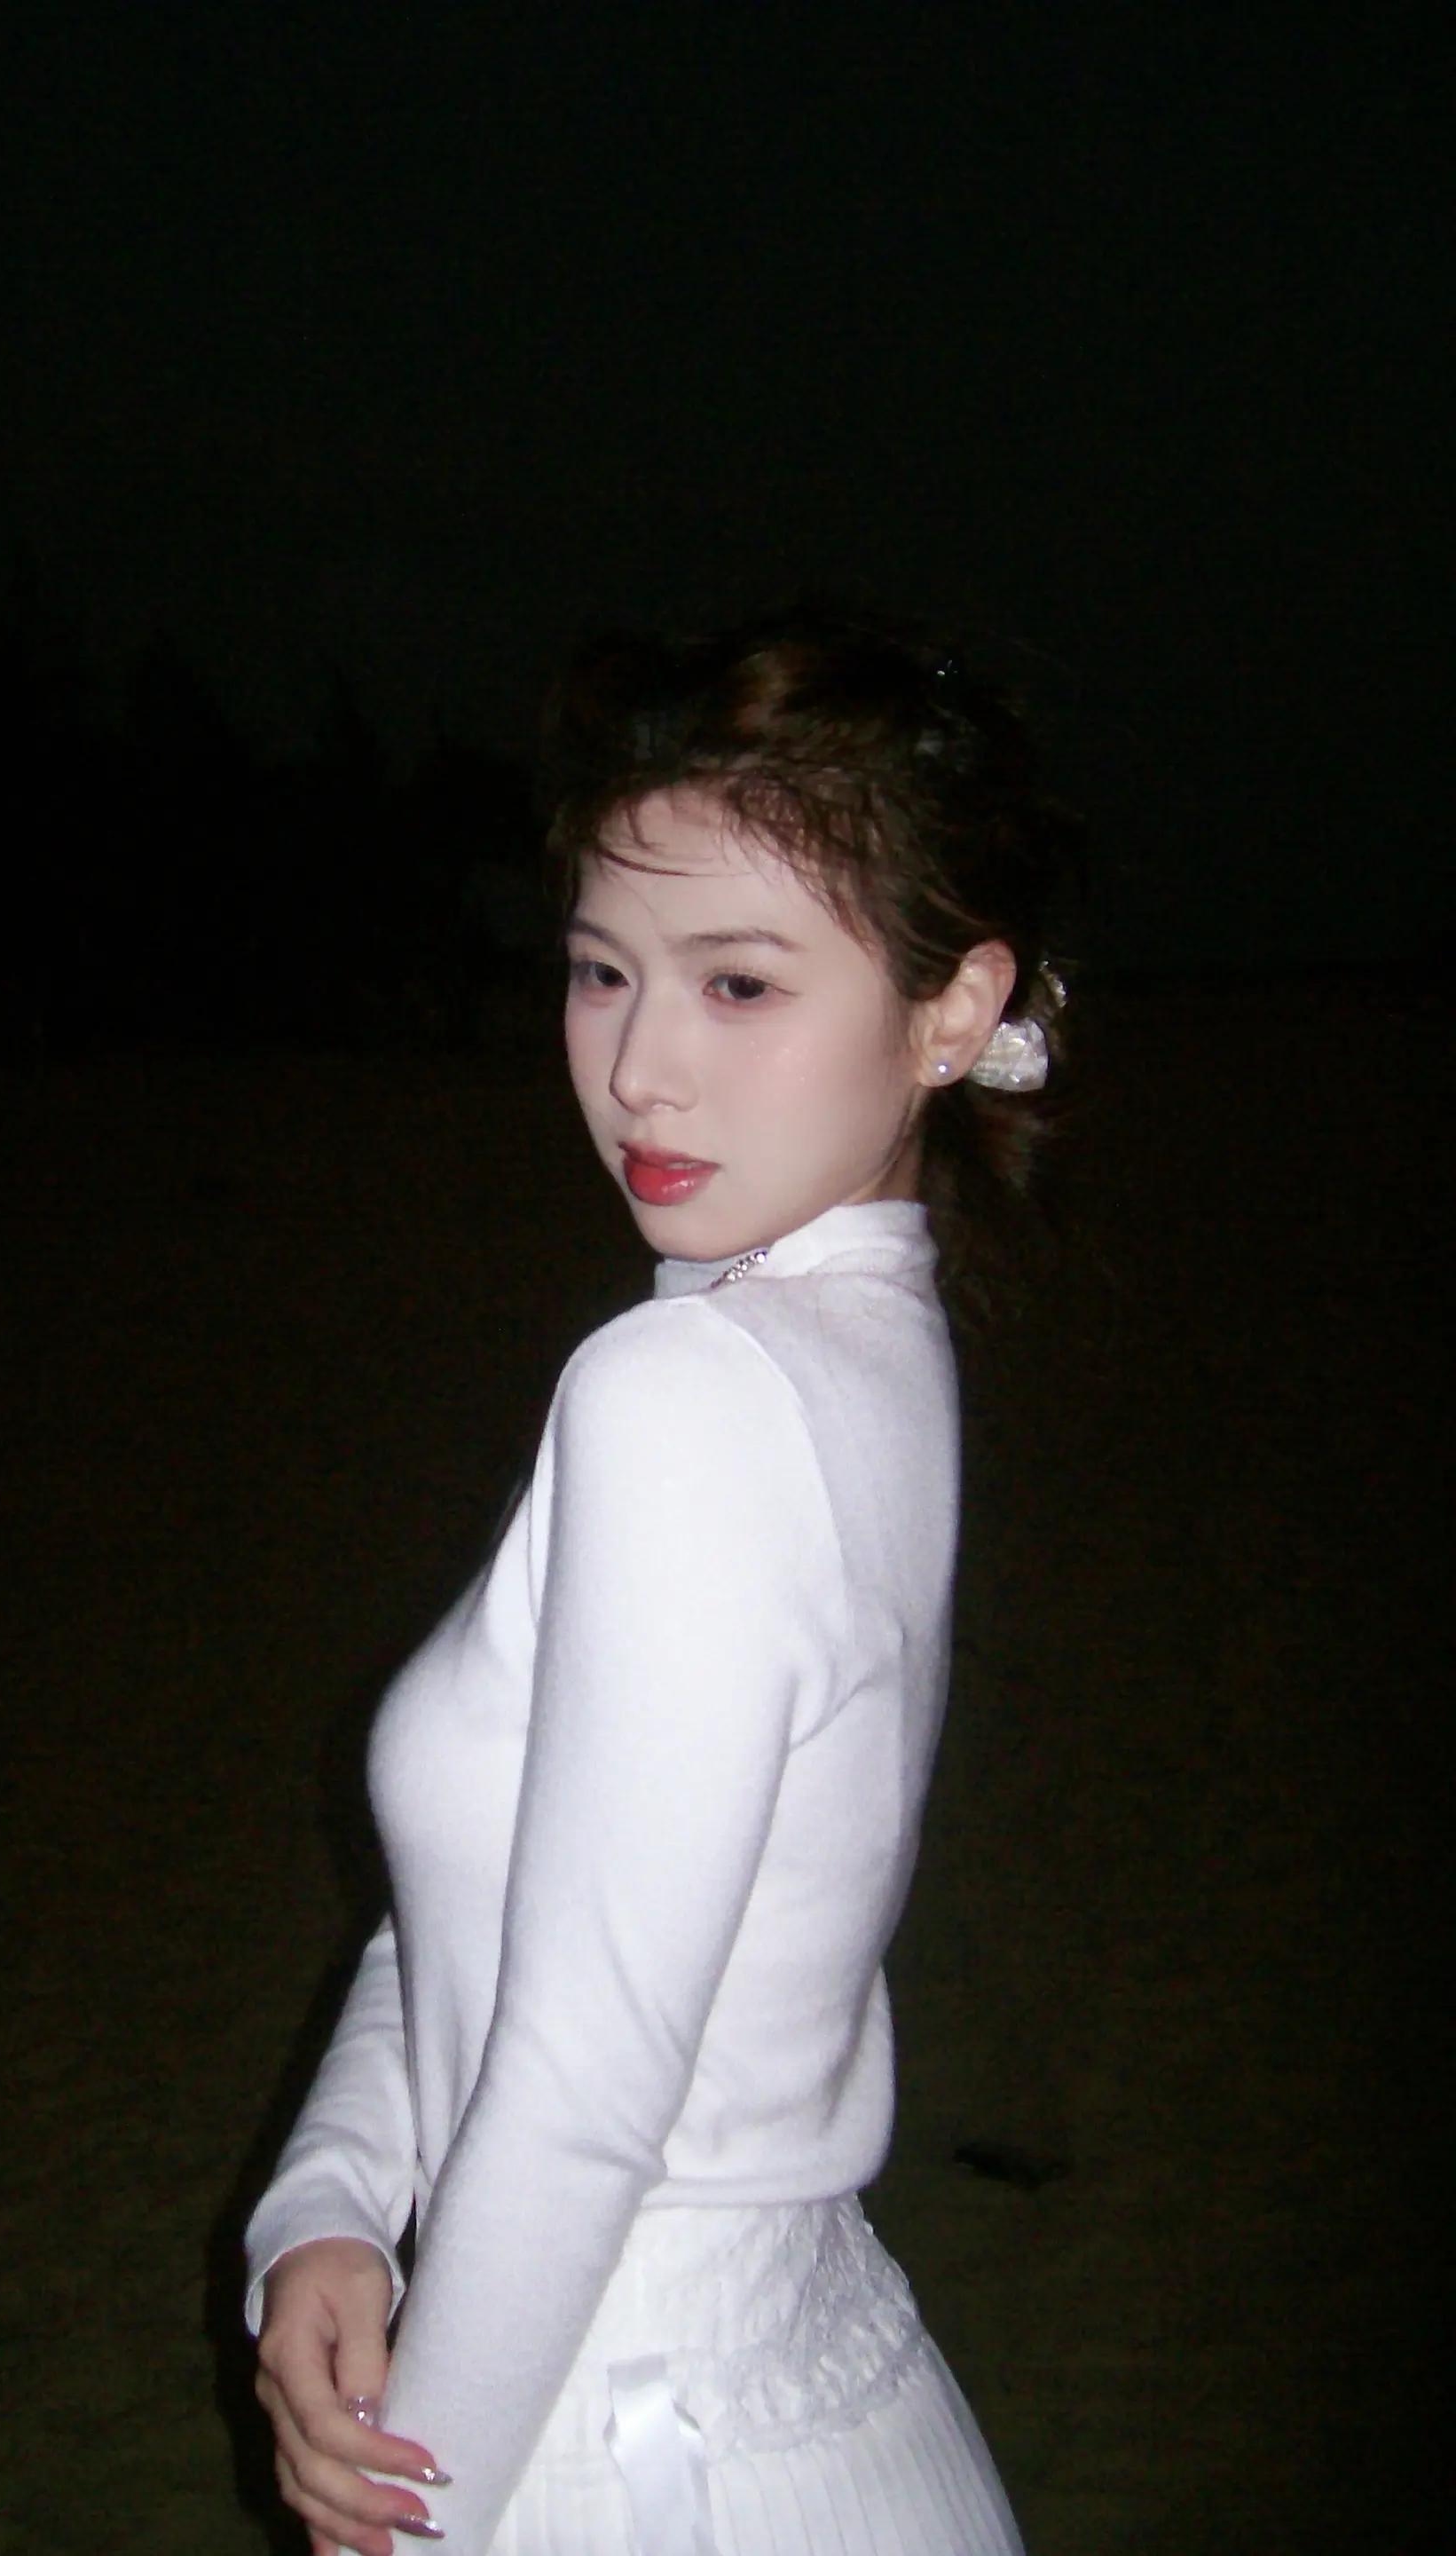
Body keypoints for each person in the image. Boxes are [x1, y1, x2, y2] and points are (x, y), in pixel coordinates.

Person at [244, 604, 1072, 2556]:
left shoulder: (688, 1393)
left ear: (951, 1011)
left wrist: (407, 2523)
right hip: (787, 2389)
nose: (640, 1070)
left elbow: (587, 2082)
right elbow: (509, 1896)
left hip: (624, 2443)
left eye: (741, 983)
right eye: (602, 970)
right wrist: (333, 2196)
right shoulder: (852, 1345)